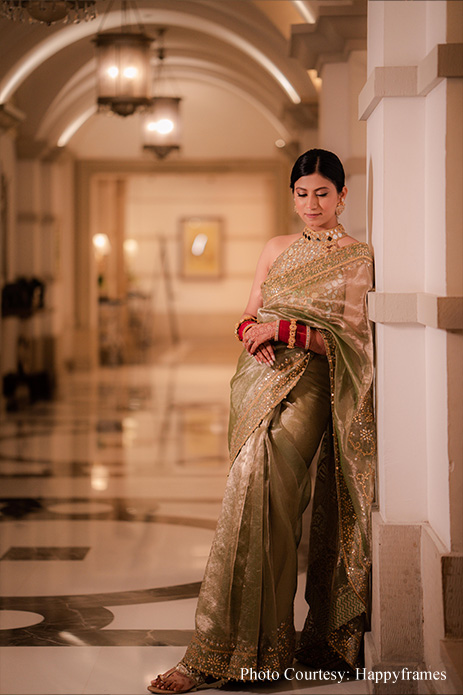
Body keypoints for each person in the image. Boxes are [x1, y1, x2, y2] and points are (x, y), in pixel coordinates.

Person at [148, 149, 376, 693]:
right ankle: (229, 651)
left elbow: (349, 342)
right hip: (258, 385)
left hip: (312, 388)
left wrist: (282, 333)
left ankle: (247, 653)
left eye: (323, 193)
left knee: (272, 503)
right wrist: (251, 333)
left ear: (343, 195)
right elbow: (250, 311)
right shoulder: (276, 248)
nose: (312, 204)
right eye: (302, 193)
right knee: (246, 500)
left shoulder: (359, 257)